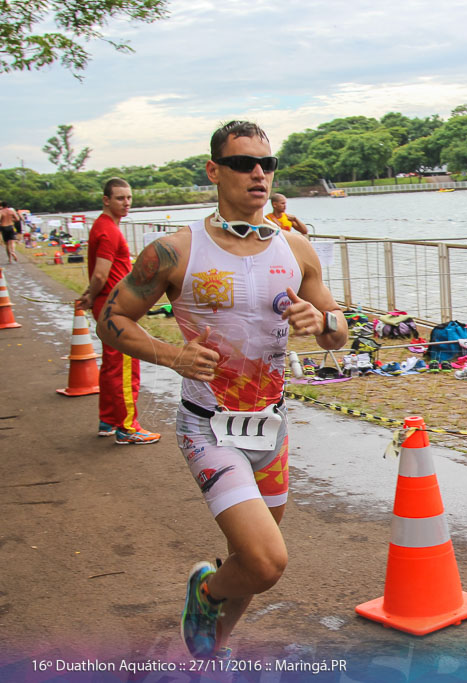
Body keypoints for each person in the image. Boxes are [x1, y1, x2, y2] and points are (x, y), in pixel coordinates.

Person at [96, 120, 348, 660]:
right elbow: (113, 319)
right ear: (214, 171)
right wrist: (172, 354)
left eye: (266, 163)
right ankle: (204, 590)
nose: (258, 173)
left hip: (271, 427)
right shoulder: (173, 251)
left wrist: (321, 321)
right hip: (209, 428)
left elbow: (338, 334)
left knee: (246, 557)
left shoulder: (297, 247)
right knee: (265, 562)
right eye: (242, 163)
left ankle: (214, 651)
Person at [75, 179, 162, 445]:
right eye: (120, 198)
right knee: (126, 365)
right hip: (116, 308)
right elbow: (101, 273)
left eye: (129, 198)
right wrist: (90, 293)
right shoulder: (109, 231)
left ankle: (109, 420)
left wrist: (92, 296)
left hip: (108, 305)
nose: (126, 203)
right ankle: (128, 427)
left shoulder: (104, 227)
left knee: (112, 365)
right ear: (106, 200)